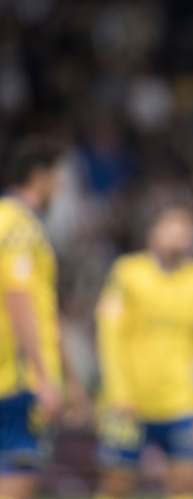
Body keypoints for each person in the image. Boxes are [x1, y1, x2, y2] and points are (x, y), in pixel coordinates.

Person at [94, 206, 193, 499]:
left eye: (186, 232)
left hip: (180, 402)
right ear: (153, 233)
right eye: (172, 229)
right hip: (130, 402)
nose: (179, 237)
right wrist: (118, 390)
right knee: (116, 485)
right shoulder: (127, 273)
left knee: (186, 484)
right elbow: (109, 336)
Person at [0, 138, 74, 499]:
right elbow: (19, 300)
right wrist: (43, 376)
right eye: (57, 178)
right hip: (15, 381)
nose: (60, 187)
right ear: (39, 176)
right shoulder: (20, 227)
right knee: (17, 482)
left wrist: (70, 378)